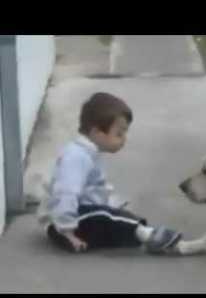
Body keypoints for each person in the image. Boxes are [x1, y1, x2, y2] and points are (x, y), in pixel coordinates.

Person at [37, 92, 182, 254]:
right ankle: (148, 235)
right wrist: (67, 230)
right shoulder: (76, 157)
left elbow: (97, 191)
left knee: (115, 216)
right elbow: (65, 193)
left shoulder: (90, 153)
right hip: (65, 223)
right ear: (97, 132)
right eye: (119, 134)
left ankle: (142, 233)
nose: (124, 139)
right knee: (105, 216)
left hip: (82, 217)